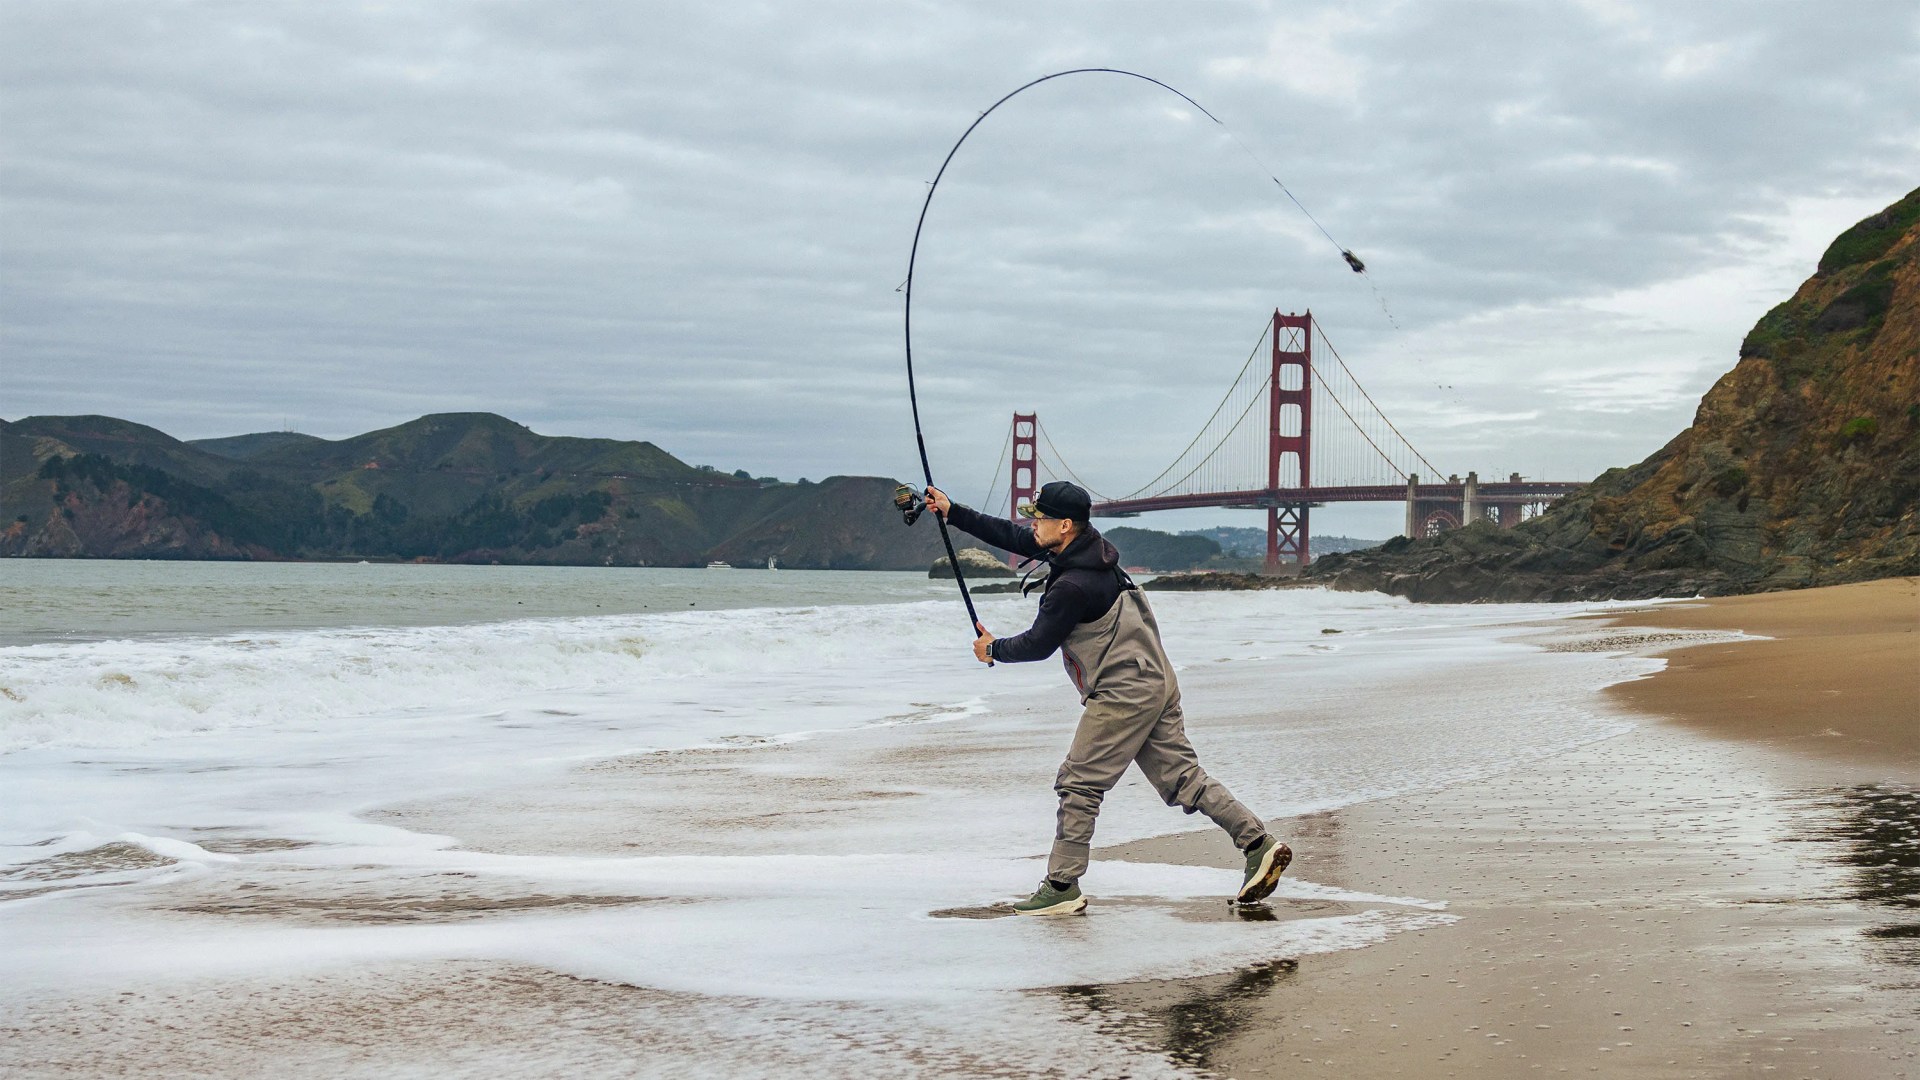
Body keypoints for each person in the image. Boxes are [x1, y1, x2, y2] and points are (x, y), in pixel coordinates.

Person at [925, 480, 1290, 916]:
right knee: (1182, 778)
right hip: (1156, 678)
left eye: (1039, 518)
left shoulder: (1071, 586)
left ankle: (1062, 884)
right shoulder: (1093, 549)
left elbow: (1039, 644)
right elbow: (1014, 537)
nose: (1032, 525)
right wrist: (953, 511)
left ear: (1064, 525)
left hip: (1124, 692)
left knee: (1078, 783)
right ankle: (1258, 843)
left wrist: (994, 649)